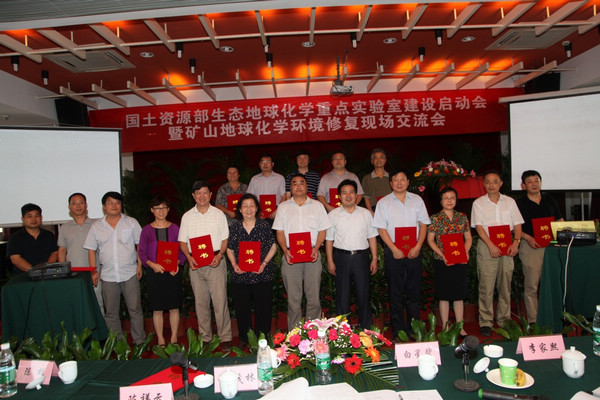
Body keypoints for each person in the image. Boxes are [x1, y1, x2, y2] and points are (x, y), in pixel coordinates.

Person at [373, 170, 430, 339]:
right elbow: (381, 228)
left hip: (414, 251)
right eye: (395, 180)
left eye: (402, 179)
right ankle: (398, 330)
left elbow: (424, 224)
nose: (399, 183)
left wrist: (418, 246)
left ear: (408, 182)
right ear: (391, 183)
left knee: (414, 291)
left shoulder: (417, 200)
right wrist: (393, 248)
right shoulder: (383, 203)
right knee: (395, 292)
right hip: (393, 252)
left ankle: (414, 328)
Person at [84, 192, 146, 345]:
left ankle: (139, 342)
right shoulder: (96, 226)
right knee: (111, 313)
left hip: (130, 272)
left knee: (135, 310)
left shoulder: (131, 222)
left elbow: (140, 245)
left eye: (117, 203)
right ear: (104, 207)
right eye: (110, 203)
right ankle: (118, 344)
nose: (114, 206)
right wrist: (93, 271)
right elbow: (91, 250)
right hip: (108, 275)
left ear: (121, 205)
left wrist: (139, 265)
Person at [178, 180, 232, 350]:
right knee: (201, 303)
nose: (202, 196)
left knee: (220, 301)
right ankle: (205, 337)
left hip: (215, 261)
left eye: (205, 193)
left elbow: (225, 238)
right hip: (195, 263)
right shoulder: (187, 216)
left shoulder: (218, 214)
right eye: (198, 193)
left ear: (210, 195)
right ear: (193, 196)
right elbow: (182, 242)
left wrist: (220, 255)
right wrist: (188, 257)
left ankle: (225, 337)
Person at [273, 173, 331, 329]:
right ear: (290, 188)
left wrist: (316, 248)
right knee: (294, 299)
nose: (298, 186)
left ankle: (313, 332)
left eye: (301, 183)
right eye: (294, 183)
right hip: (291, 256)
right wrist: (285, 250)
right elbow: (279, 232)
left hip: (312, 255)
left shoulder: (317, 206)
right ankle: (295, 334)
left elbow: (323, 230)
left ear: (307, 186)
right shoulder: (283, 207)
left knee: (313, 298)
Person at [471, 170, 524, 337]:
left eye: (495, 181)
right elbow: (479, 227)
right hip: (487, 245)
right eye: (487, 182)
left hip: (508, 245)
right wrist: (491, 245)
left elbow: (517, 224)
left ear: (501, 183)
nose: (491, 185)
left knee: (505, 285)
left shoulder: (510, 202)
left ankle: (504, 319)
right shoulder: (478, 203)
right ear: (483, 184)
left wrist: (516, 242)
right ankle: (486, 321)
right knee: (486, 286)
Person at [226, 194, 278, 347]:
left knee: (263, 308)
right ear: (240, 210)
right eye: (245, 206)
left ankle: (262, 338)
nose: (248, 209)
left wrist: (264, 264)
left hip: (262, 273)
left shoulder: (264, 226)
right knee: (242, 308)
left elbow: (273, 247)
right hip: (241, 275)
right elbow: (229, 249)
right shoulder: (235, 228)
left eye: (251, 205)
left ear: (256, 209)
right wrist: (234, 264)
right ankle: (245, 338)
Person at [325, 179, 378, 329]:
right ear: (339, 196)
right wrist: (330, 260)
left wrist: (374, 258)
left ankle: (366, 330)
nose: (348, 196)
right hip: (341, 258)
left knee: (364, 295)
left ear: (356, 195)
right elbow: (329, 240)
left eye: (351, 192)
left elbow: (372, 237)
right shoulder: (333, 215)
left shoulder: (366, 214)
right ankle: (343, 331)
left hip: (361, 257)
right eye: (344, 193)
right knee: (342, 296)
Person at [516, 170, 563, 324]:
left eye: (536, 180)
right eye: (530, 182)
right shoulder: (519, 203)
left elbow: (559, 220)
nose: (534, 184)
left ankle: (553, 317)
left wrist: (562, 236)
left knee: (551, 284)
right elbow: (514, 227)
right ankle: (534, 320)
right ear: (523, 185)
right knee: (532, 285)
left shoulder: (549, 199)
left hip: (551, 247)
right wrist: (528, 238)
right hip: (531, 247)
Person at [138, 196, 186, 347]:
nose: (161, 211)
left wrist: (177, 264)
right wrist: (152, 265)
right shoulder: (146, 230)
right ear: (152, 210)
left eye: (164, 208)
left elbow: (182, 249)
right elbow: (141, 252)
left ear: (168, 210)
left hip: (173, 272)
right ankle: (160, 338)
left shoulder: (175, 228)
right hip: (155, 273)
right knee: (157, 308)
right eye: (157, 208)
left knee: (174, 307)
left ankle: (174, 338)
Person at [426, 187, 472, 336]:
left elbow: (468, 238)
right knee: (444, 295)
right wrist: (442, 255)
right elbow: (430, 240)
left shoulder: (462, 217)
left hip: (460, 260)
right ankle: (445, 326)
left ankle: (460, 326)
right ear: (441, 201)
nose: (449, 200)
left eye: (452, 197)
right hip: (442, 261)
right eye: (446, 198)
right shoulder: (435, 218)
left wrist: (465, 252)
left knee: (459, 294)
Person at [58, 193, 104, 314]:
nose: (78, 206)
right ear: (69, 207)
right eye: (74, 203)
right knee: (76, 305)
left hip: (94, 272)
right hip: (73, 273)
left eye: (81, 202)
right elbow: (62, 250)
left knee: (97, 304)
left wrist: (101, 269)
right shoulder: (64, 227)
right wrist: (63, 271)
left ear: (86, 205)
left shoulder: (97, 224)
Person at [7, 203, 58, 274]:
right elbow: (15, 259)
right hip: (23, 276)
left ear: (41, 218)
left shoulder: (49, 235)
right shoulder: (15, 237)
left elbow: (54, 253)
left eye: (36, 216)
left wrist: (46, 270)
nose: (33, 219)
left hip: (46, 274)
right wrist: (35, 271)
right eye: (29, 216)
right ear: (23, 219)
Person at [247, 154, 286, 221]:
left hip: (276, 212)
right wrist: (256, 212)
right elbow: (249, 197)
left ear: (272, 164)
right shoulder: (254, 179)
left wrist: (278, 211)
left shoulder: (280, 178)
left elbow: (284, 197)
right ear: (259, 164)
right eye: (263, 162)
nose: (265, 164)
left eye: (268, 162)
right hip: (258, 212)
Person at [361, 148, 392, 215]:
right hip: (374, 210)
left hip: (391, 208)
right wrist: (371, 212)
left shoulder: (392, 177)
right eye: (376, 158)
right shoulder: (367, 178)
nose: (378, 160)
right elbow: (366, 197)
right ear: (372, 161)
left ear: (385, 160)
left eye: (381, 157)